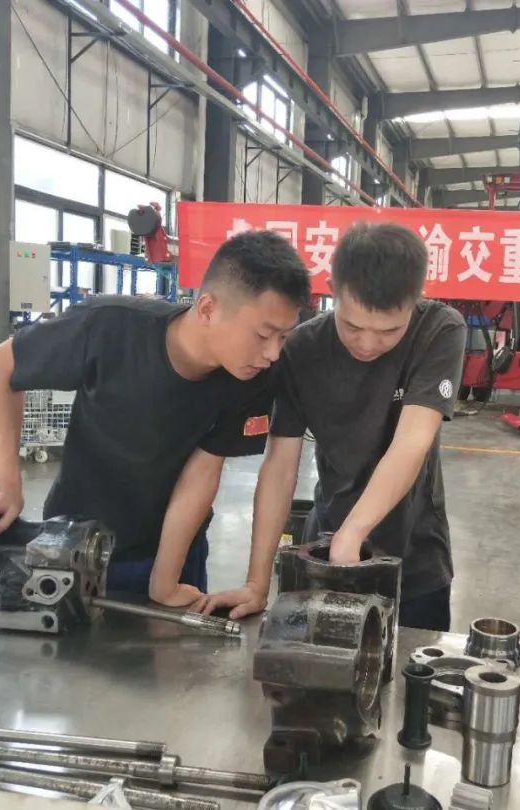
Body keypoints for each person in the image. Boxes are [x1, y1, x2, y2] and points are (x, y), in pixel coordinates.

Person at [0, 231, 312, 606]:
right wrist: (6, 484)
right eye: (264, 334)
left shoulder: (251, 377)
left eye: (284, 337)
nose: (273, 353)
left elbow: (202, 473)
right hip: (75, 544)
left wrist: (165, 580)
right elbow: (3, 365)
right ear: (208, 309)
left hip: (176, 552)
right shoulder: (110, 328)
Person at [189, 222, 467, 631]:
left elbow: (412, 442)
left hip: (415, 561)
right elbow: (280, 467)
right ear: (332, 293)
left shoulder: (438, 330)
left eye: (389, 331)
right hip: (326, 553)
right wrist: (257, 583)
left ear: (416, 300)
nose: (368, 344)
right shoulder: (302, 349)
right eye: (352, 326)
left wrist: (353, 532)